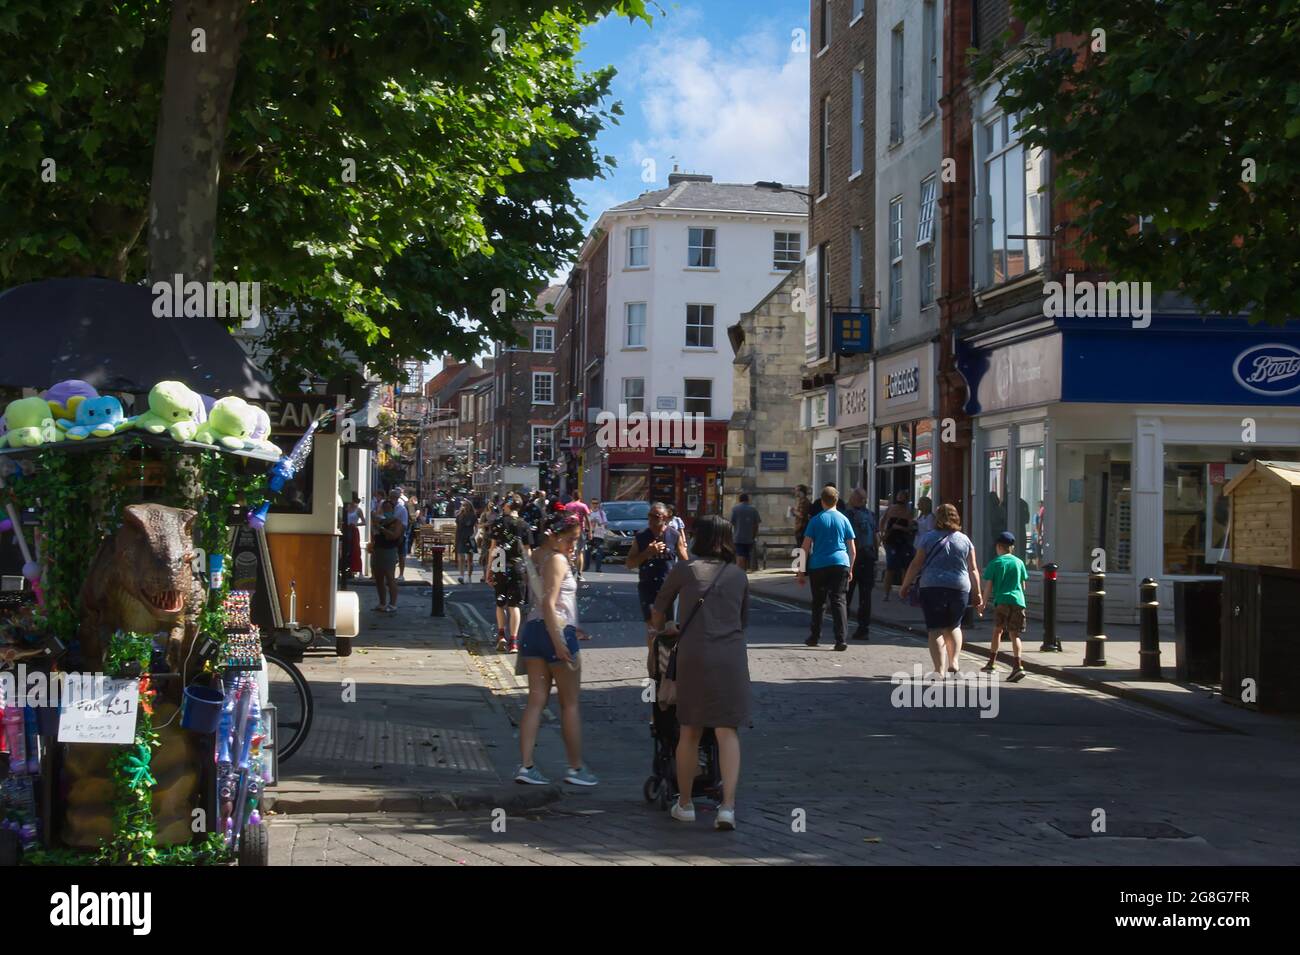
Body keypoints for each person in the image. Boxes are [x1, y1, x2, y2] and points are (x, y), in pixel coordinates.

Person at [650, 515, 749, 831]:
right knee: (726, 731)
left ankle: (686, 804)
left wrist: (664, 627)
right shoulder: (738, 575)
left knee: (690, 730)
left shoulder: (685, 569)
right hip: (731, 657)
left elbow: (659, 605)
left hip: (693, 656)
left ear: (699, 538)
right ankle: (728, 808)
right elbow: (741, 621)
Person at [514, 511, 597, 788]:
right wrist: (560, 641)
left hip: (534, 632)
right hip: (553, 634)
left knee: (536, 701)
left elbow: (548, 604)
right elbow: (550, 603)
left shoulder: (536, 555)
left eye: (576, 540)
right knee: (570, 704)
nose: (573, 546)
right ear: (554, 535)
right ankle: (576, 768)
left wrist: (573, 625)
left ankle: (526, 766)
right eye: (570, 539)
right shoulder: (558, 560)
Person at [900, 503, 983, 678]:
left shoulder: (928, 538)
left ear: (937, 518)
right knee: (954, 626)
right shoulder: (965, 540)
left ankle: (939, 670)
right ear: (956, 517)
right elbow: (973, 569)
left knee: (935, 629)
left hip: (932, 587)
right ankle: (954, 662)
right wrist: (978, 593)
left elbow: (916, 564)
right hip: (959, 588)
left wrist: (905, 584)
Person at [796, 485, 856, 651]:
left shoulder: (815, 520)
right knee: (839, 601)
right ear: (836, 500)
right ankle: (841, 639)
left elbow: (805, 547)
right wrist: (850, 569)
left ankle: (814, 637)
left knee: (819, 602)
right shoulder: (844, 520)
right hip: (840, 564)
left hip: (819, 565)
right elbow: (852, 550)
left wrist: (801, 571)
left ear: (822, 501)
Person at [627, 502, 689, 628]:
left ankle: (661, 647)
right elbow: (629, 564)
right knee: (652, 626)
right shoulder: (641, 536)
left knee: (668, 627)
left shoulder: (674, 535)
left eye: (656, 516)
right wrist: (647, 553)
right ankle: (653, 648)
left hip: (668, 588)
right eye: (649, 515)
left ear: (665, 518)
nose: (651, 519)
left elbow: (685, 562)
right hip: (647, 586)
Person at [981, 531, 1029, 681]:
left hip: (1002, 601)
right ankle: (1018, 666)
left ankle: (991, 663)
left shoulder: (995, 563)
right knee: (1015, 634)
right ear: (1011, 548)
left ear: (999, 547)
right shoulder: (1019, 562)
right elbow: (1023, 586)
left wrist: (983, 603)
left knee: (998, 631)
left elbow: (988, 587)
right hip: (1018, 601)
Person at [487, 497, 530, 652]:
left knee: (500, 603)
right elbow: (527, 551)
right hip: (518, 566)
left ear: (507, 505)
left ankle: (501, 636)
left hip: (500, 564)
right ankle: (513, 642)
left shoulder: (498, 523)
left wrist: (489, 570)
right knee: (514, 606)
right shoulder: (524, 524)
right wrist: (528, 571)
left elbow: (492, 548)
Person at [844, 488, 877, 641]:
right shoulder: (871, 515)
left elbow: (846, 538)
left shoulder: (848, 515)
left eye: (851, 496)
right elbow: (875, 537)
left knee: (845, 593)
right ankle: (864, 629)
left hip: (853, 557)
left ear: (855, 499)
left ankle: (842, 627)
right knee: (866, 596)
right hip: (868, 557)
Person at [881, 491, 916, 602]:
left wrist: (900, 528)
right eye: (899, 497)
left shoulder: (908, 512)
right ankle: (886, 594)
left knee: (904, 568)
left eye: (902, 498)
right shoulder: (891, 509)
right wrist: (882, 534)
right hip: (891, 541)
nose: (900, 500)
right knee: (890, 567)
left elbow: (910, 529)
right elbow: (883, 523)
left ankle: (903, 593)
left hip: (903, 541)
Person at [369, 500, 404, 612]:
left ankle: (393, 604)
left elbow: (394, 536)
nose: (387, 510)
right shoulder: (380, 521)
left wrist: (382, 529)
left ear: (393, 509)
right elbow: (374, 535)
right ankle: (382, 603)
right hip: (378, 550)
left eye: (389, 508)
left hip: (389, 551)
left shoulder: (397, 522)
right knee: (378, 578)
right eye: (385, 508)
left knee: (390, 577)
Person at [729, 493, 762, 572]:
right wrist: (754, 535)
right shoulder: (753, 509)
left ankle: (740, 572)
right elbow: (756, 524)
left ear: (739, 500)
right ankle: (744, 572)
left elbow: (731, 523)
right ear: (748, 499)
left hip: (738, 537)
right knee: (746, 556)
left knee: (740, 555)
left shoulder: (735, 509)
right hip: (749, 537)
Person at [564, 493, 591, 581]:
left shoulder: (567, 505)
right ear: (580, 497)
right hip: (580, 530)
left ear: (572, 496)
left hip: (569, 530)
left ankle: (570, 572)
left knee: (569, 551)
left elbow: (564, 517)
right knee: (580, 552)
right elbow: (587, 519)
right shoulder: (583, 506)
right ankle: (579, 574)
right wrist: (590, 531)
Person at [341, 495, 365, 581]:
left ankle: (360, 571)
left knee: (356, 550)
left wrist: (355, 524)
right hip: (346, 530)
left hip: (354, 531)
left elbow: (364, 522)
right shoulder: (346, 509)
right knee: (346, 550)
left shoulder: (358, 510)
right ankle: (349, 570)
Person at [454, 499, 478, 583]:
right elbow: (457, 528)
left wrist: (473, 535)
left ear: (470, 506)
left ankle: (469, 576)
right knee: (461, 558)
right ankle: (461, 576)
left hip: (469, 538)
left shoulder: (473, 516)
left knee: (470, 559)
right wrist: (455, 539)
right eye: (463, 505)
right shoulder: (459, 516)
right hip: (461, 538)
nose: (464, 507)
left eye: (466, 505)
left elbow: (476, 527)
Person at [388, 488, 410, 580]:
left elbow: (405, 524)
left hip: (400, 535)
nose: (392, 499)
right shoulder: (386, 506)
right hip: (388, 534)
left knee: (401, 555)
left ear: (397, 498)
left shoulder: (402, 509)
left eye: (394, 497)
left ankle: (401, 575)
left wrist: (401, 535)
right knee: (390, 555)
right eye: (391, 497)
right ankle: (390, 574)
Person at [587, 498, 608, 573]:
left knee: (599, 552)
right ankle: (586, 567)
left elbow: (605, 523)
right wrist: (591, 523)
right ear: (591, 504)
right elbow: (585, 523)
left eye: (596, 503)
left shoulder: (602, 513)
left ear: (598, 504)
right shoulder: (588, 513)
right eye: (593, 503)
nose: (595, 505)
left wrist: (599, 523)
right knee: (587, 551)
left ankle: (598, 568)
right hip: (590, 534)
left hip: (599, 535)